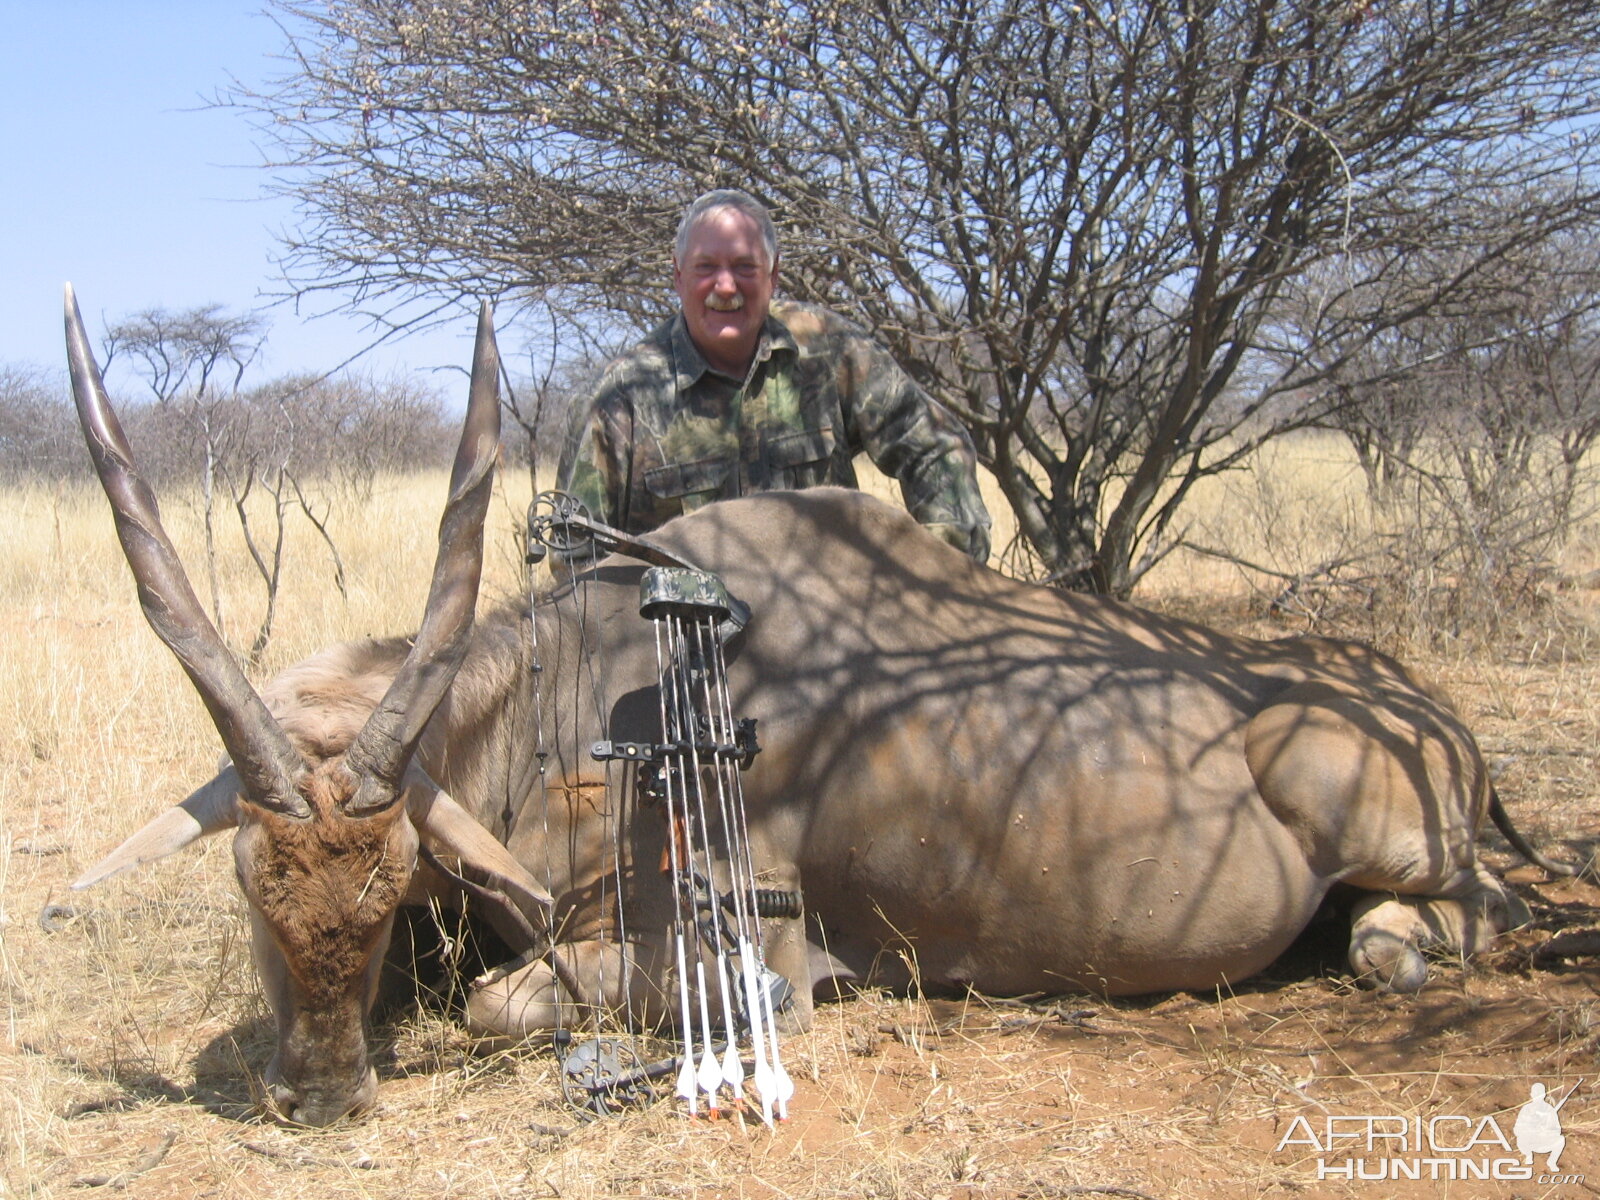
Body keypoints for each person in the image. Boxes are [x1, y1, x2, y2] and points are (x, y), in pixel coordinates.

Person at [556, 189, 991, 562]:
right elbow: (573, 559)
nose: (726, 287)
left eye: (744, 267)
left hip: (831, 629)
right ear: (678, 274)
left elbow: (935, 445)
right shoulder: (622, 397)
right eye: (706, 267)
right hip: (684, 645)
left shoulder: (827, 349)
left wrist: (939, 573)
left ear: (773, 274)